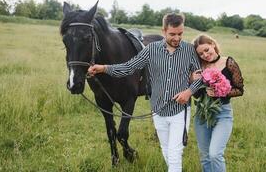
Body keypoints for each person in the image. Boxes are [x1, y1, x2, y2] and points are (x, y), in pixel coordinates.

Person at [88, 13, 202, 172]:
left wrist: (189, 92)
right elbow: (128, 67)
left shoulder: (189, 50)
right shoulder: (151, 50)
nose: (177, 38)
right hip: (158, 109)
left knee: (175, 154)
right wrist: (104, 68)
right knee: (166, 150)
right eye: (172, 34)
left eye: (180, 34)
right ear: (164, 31)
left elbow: (199, 77)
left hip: (179, 109)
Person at [191, 34, 244, 172]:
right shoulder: (198, 67)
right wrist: (192, 81)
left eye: (207, 50)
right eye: (201, 53)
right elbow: (196, 96)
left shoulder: (229, 63)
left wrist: (222, 92)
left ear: (213, 44)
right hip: (202, 113)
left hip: (223, 113)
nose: (205, 55)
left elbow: (239, 89)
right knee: (205, 156)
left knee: (215, 154)